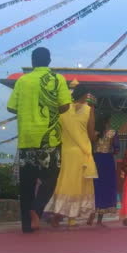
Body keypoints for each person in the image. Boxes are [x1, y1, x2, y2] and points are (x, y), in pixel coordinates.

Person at [7, 47, 72, 233]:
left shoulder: (22, 80)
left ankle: (26, 225)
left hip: (27, 138)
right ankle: (36, 210)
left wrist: (28, 110)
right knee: (51, 177)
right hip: (49, 138)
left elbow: (11, 107)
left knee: (27, 182)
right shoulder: (56, 79)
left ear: (33, 61)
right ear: (49, 61)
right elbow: (65, 105)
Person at [44, 85, 98, 229]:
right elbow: (91, 135)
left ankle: (60, 215)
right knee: (79, 184)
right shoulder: (89, 109)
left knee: (65, 182)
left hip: (66, 151)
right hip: (82, 153)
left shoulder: (63, 110)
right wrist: (96, 135)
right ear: (86, 95)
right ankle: (69, 219)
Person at [87, 110, 119, 227]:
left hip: (95, 160)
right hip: (107, 161)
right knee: (106, 188)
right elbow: (116, 149)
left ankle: (91, 214)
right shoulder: (112, 132)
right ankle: (99, 220)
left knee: (95, 187)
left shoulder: (94, 133)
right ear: (108, 121)